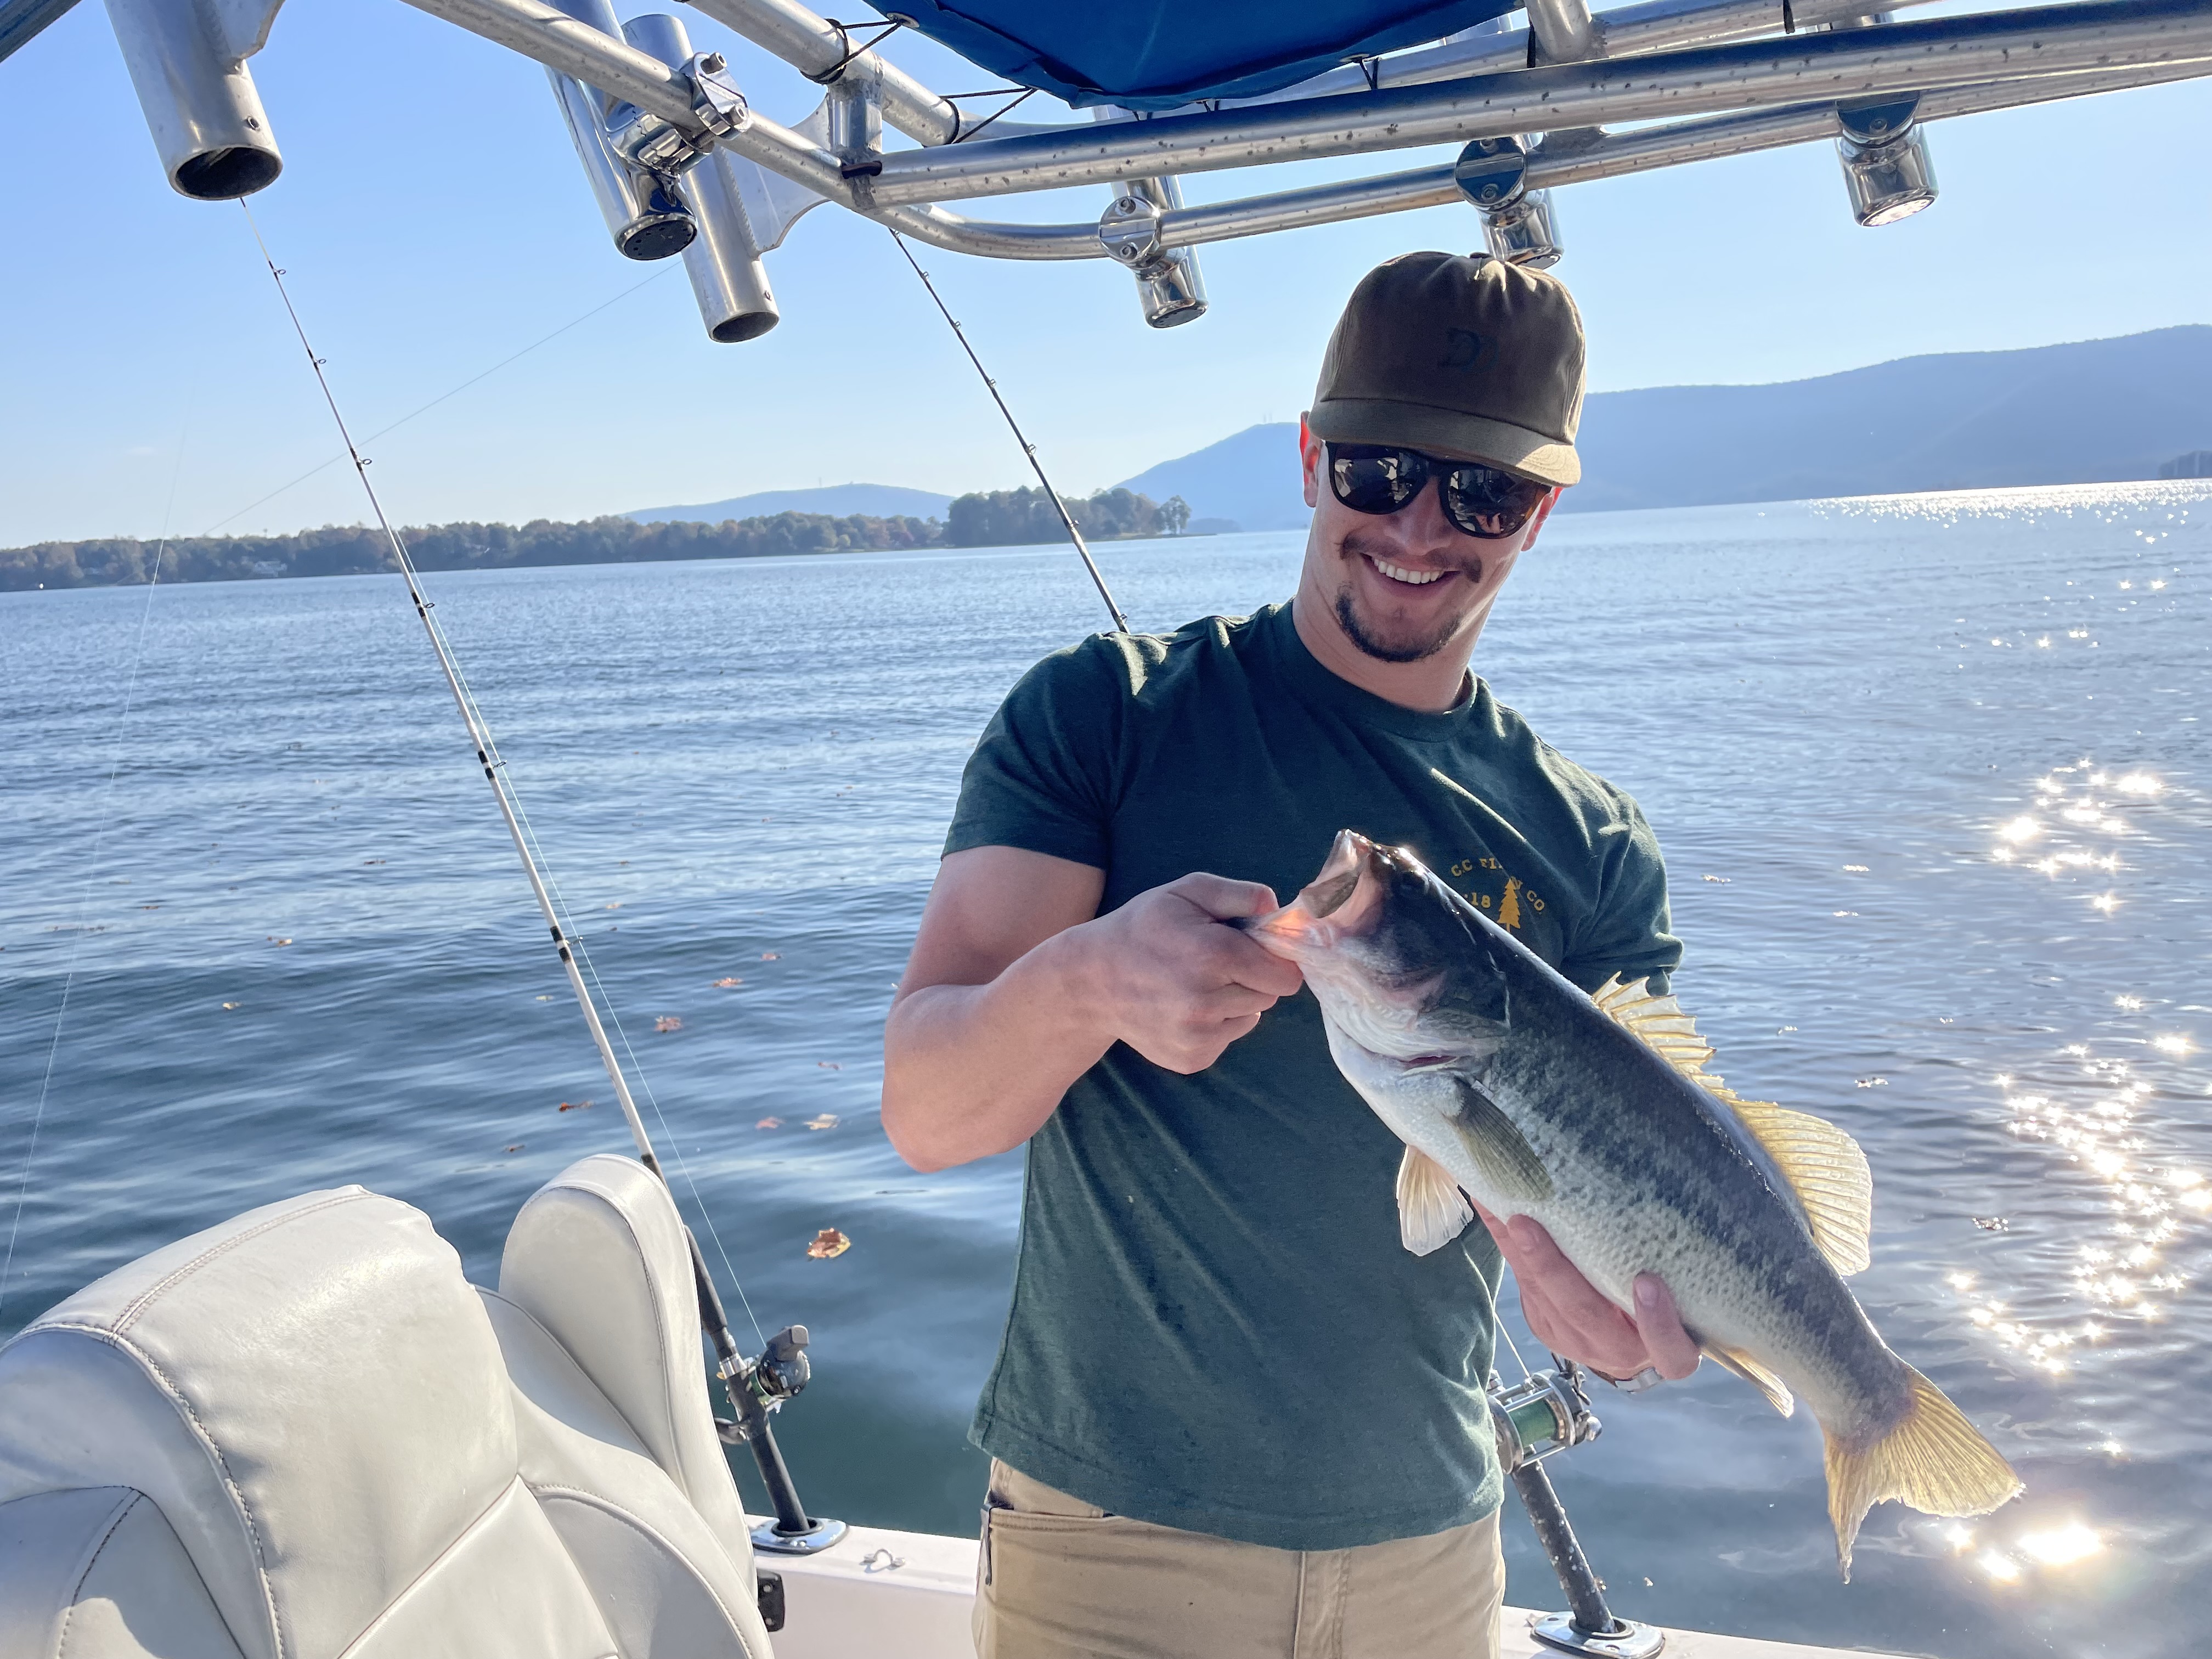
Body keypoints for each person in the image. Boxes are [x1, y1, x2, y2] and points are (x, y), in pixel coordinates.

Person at [882, 251, 1698, 1659]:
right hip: (1111, 1542)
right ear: (1313, 459)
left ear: (1541, 514)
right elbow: (926, 1115)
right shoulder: (1104, 715)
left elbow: (1644, 1200)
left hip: (1432, 1548)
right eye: (1382, 471)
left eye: (1484, 493)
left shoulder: (1596, 845)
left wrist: (1614, 1328)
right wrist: (1088, 980)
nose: (1421, 526)